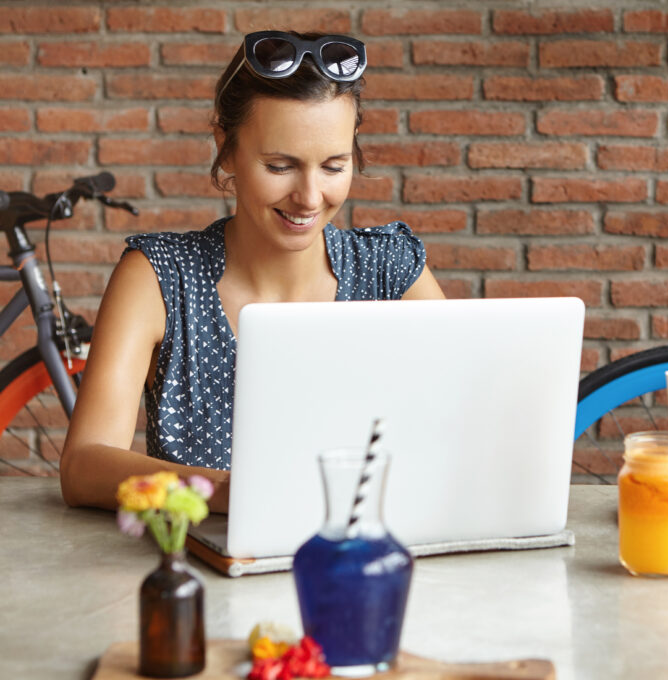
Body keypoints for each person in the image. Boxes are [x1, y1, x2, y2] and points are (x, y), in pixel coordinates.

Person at [60, 31, 444, 512]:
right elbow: (83, 467)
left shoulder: (391, 272)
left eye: (332, 165)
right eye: (280, 166)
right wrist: (231, 492)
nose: (309, 197)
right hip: (209, 576)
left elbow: (465, 424)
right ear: (227, 147)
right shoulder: (159, 279)